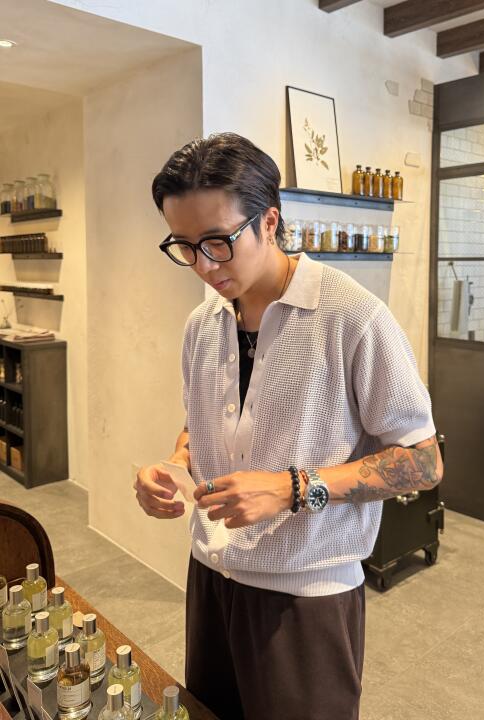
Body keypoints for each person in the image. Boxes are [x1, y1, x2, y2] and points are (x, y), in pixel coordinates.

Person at [134, 133, 443, 720]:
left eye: (218, 242)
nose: (203, 265)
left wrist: (291, 488)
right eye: (184, 246)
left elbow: (424, 462)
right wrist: (175, 466)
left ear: (269, 222)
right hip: (211, 574)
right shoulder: (203, 323)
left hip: (305, 594)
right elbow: (204, 424)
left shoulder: (353, 317)